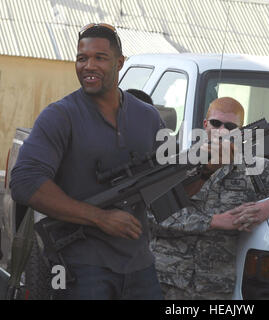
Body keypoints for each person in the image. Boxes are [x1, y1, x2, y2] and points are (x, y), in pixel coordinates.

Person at [10, 23, 165, 300]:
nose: (88, 65)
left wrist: (206, 169)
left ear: (119, 63)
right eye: (82, 58)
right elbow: (24, 182)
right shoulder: (60, 116)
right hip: (80, 265)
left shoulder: (149, 117)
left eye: (99, 58)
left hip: (139, 265)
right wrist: (99, 218)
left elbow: (168, 189)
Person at [149, 96, 269, 299]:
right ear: (205, 125)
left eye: (230, 126)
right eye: (216, 123)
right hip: (165, 282)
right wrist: (212, 222)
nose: (221, 131)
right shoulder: (176, 165)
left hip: (213, 289)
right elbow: (151, 215)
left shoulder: (254, 170)